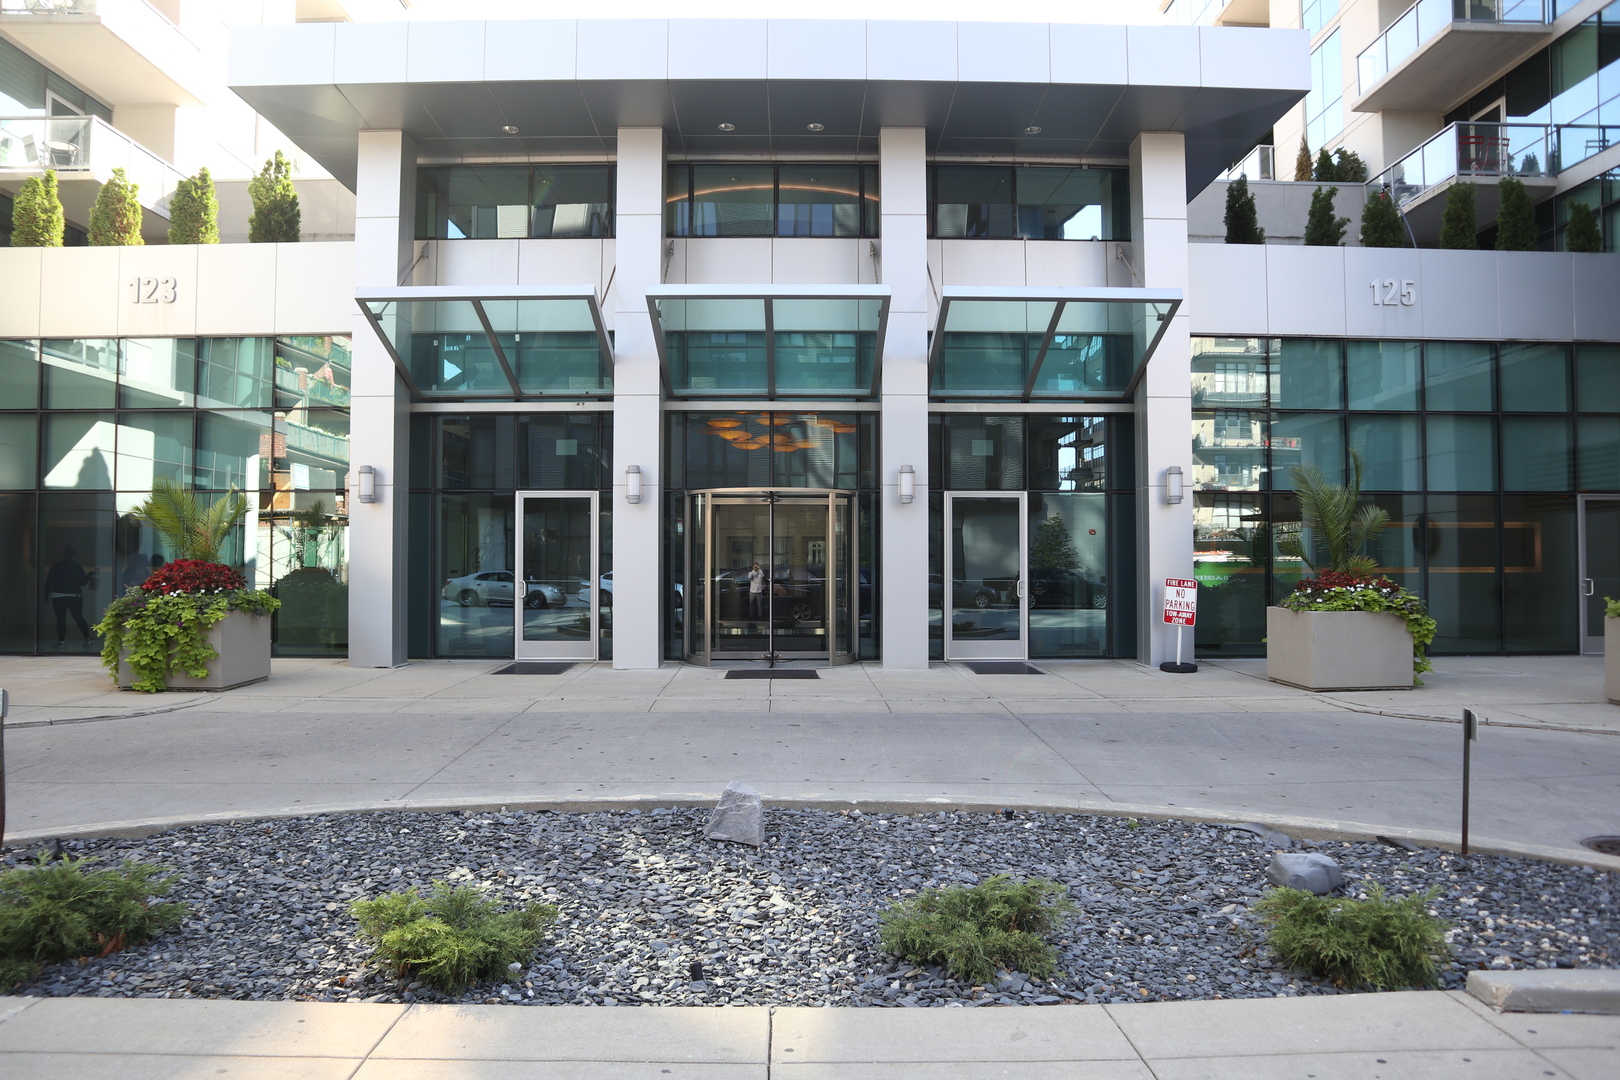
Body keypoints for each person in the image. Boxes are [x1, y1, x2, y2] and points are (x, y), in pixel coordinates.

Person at [45, 546, 96, 651]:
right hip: (75, 596)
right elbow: (82, 582)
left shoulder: (55, 566)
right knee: (78, 617)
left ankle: (61, 641)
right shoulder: (77, 567)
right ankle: (87, 638)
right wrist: (90, 574)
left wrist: (45, 596)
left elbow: (49, 582)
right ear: (74, 556)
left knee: (60, 619)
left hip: (58, 596)